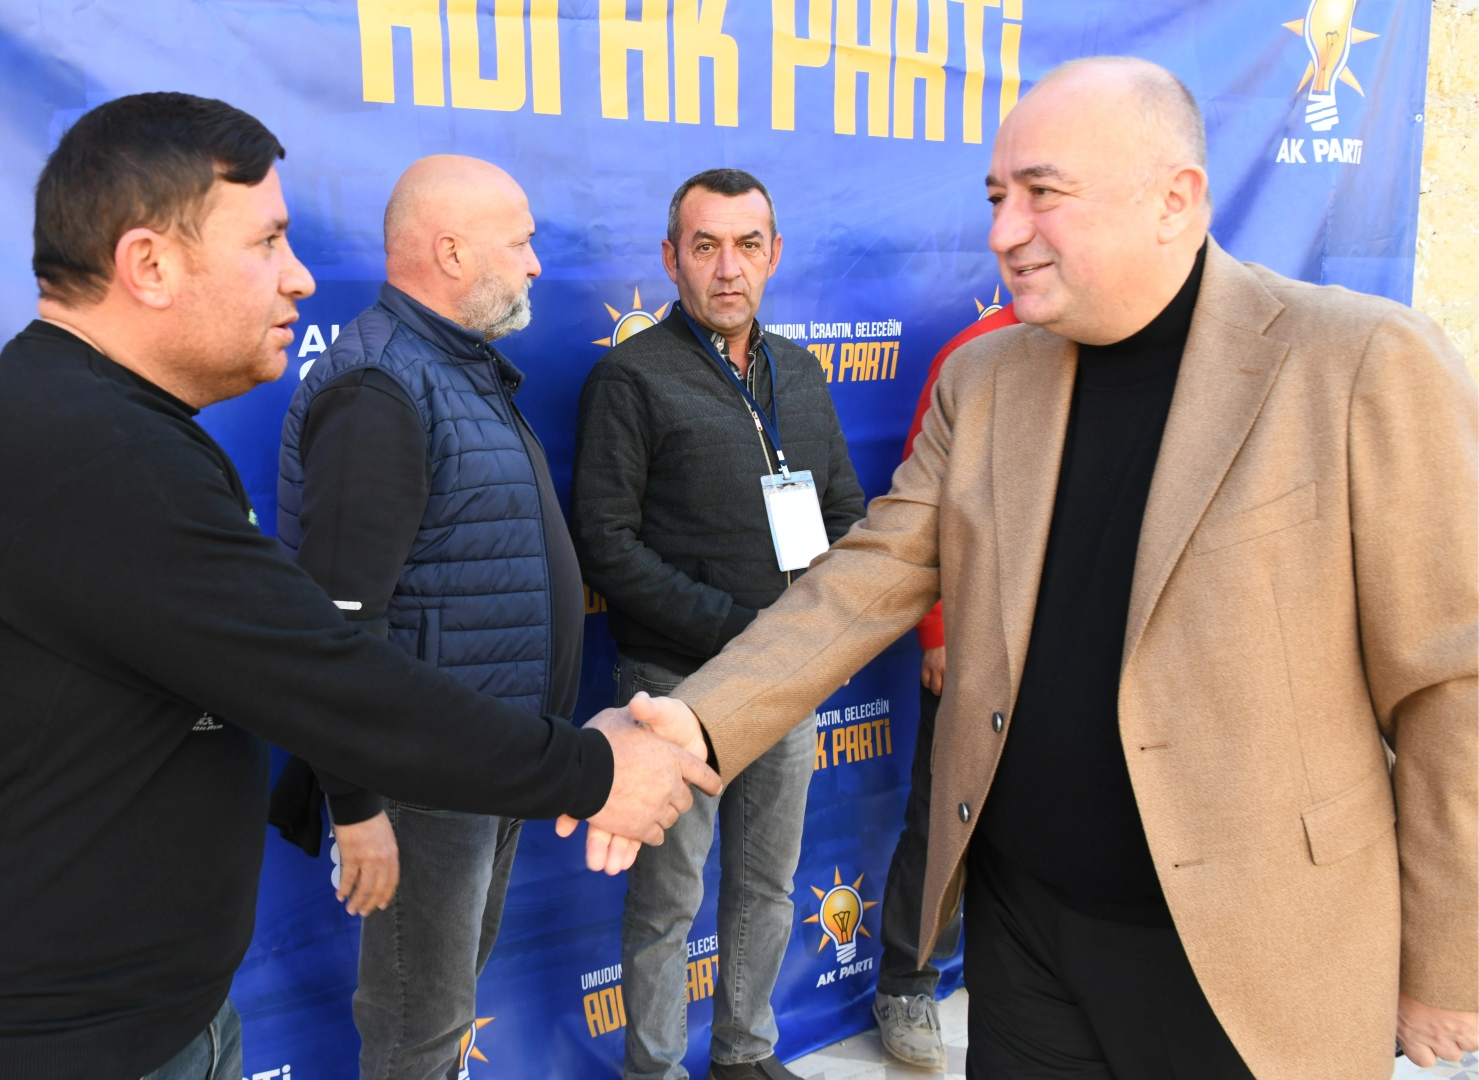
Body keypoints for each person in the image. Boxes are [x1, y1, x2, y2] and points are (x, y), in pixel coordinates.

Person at [617, 57, 1479, 1079]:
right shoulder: (985, 380)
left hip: (1253, 952)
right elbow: (866, 577)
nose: (1002, 232)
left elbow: (1451, 685)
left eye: (1042, 194)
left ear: (1175, 199)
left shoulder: (1359, 361)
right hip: (1022, 937)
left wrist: (1449, 957)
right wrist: (700, 721)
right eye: (996, 197)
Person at [0, 93, 718, 1080]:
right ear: (149, 265)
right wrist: (593, 771)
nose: (302, 277)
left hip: (153, 1017)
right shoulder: (80, 449)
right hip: (39, 1047)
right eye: (267, 241)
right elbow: (328, 671)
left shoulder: (118, 430)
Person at [268, 154, 580, 1080]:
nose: (534, 264)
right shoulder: (379, 385)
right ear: (450, 252)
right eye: (519, 242)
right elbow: (336, 625)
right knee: (418, 1028)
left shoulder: (454, 365)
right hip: (422, 780)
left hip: (486, 759)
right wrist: (357, 804)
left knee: (444, 1016)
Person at [569, 168, 865, 1080]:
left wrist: (809, 640)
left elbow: (845, 512)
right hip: (671, 692)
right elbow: (605, 545)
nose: (726, 268)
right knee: (666, 904)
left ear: (773, 255)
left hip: (783, 687)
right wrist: (746, 634)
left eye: (746, 245)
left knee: (767, 885)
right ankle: (655, 1070)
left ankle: (745, 1055)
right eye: (705, 247)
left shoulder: (800, 372)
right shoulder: (630, 378)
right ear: (671, 259)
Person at [871, 300, 1016, 1070]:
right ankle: (907, 983)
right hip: (975, 640)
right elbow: (920, 512)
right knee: (942, 822)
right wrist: (936, 629)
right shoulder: (975, 355)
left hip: (1085, 649)